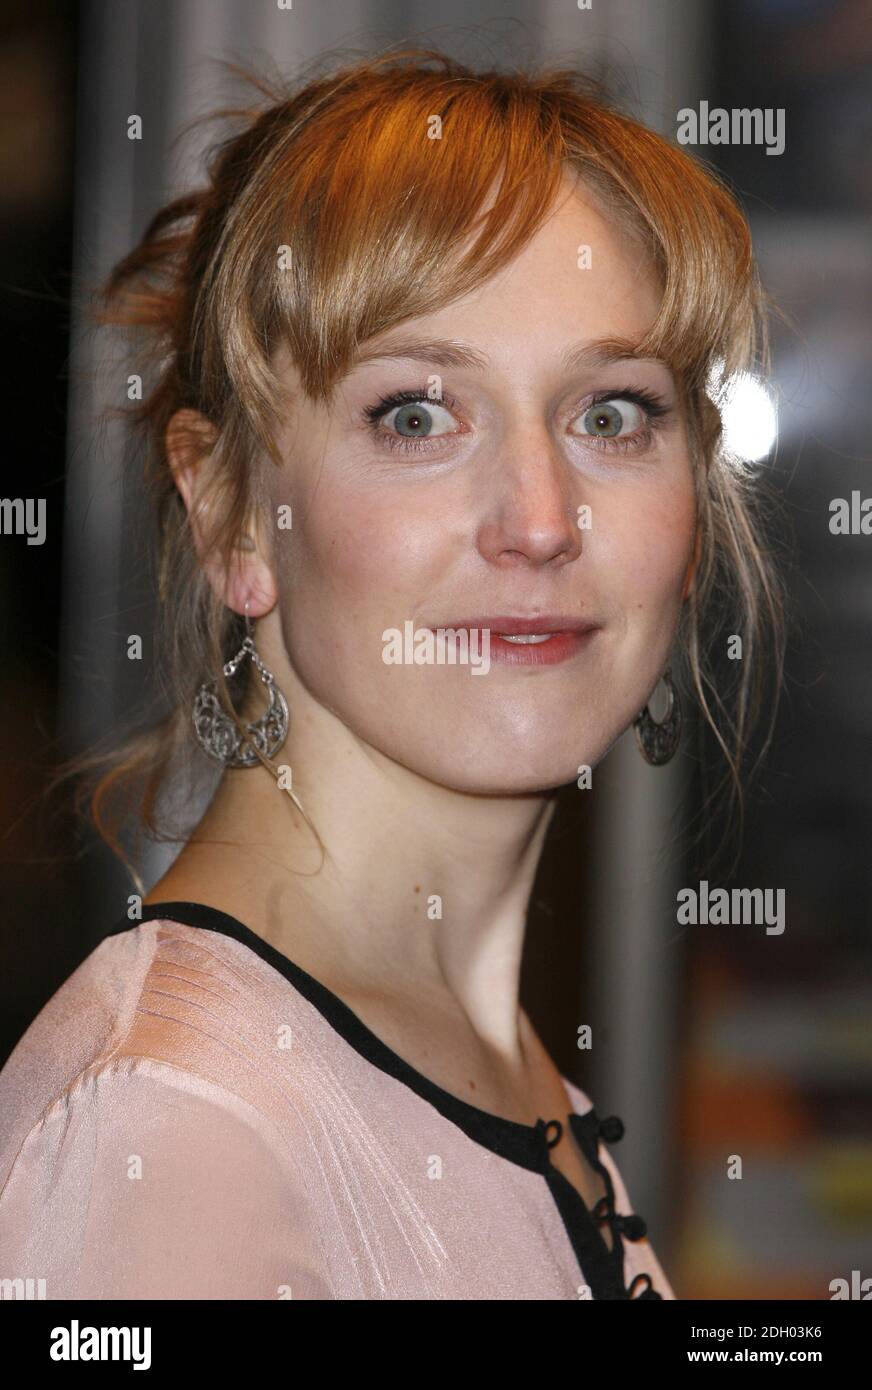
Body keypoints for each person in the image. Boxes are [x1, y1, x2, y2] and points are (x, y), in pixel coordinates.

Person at [0, 47, 783, 1299]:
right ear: (232, 517)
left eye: (610, 413)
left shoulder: (500, 1070)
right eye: (416, 414)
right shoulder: (185, 1127)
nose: (537, 517)